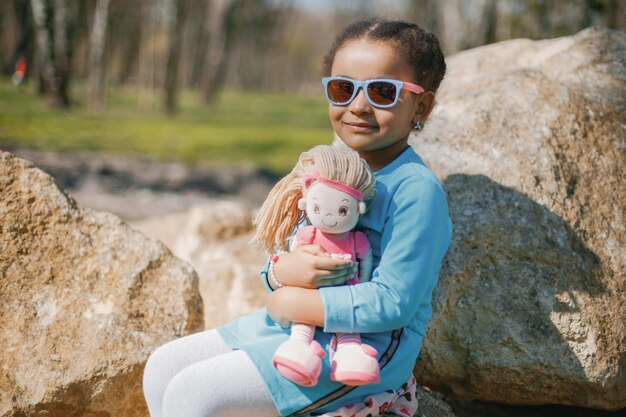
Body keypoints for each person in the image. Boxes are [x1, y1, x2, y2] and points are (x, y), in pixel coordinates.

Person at [142, 17, 452, 417]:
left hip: (362, 350)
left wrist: (292, 303)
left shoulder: (416, 191)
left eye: (382, 91)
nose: (358, 105)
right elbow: (289, 257)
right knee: (163, 367)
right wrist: (279, 273)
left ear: (421, 105)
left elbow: (393, 303)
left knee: (194, 393)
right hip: (293, 330)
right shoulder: (326, 168)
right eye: (343, 89)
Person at [250, 145, 381, 388]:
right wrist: (281, 272)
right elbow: (276, 266)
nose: (330, 218)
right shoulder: (306, 234)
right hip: (303, 304)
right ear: (306, 204)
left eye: (343, 210)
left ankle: (351, 353)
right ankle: (299, 347)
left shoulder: (358, 239)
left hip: (343, 301)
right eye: (319, 209)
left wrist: (360, 283)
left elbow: (373, 277)